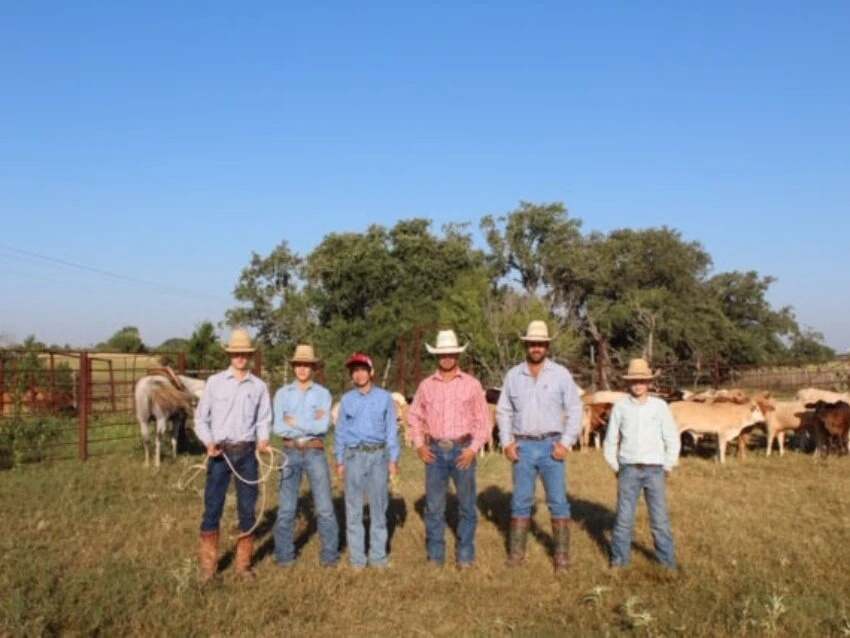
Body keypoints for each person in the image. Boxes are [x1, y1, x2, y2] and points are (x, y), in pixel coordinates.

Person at [496, 320, 584, 572]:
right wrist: (507, 442)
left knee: (558, 501)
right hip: (523, 445)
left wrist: (566, 443)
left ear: (547, 346)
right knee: (521, 501)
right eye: (532, 344)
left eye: (540, 344)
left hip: (551, 446)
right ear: (526, 345)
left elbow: (576, 409)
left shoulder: (561, 374)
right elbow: (503, 411)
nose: (536, 348)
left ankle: (562, 558)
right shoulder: (514, 375)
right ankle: (516, 555)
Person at [407, 329, 490, 569]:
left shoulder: (472, 385)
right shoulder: (426, 386)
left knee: (466, 505)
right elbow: (413, 416)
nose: (446, 357)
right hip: (434, 451)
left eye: (451, 353)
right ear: (436, 356)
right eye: (442, 353)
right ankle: (435, 556)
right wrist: (420, 445)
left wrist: (473, 448)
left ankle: (465, 556)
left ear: (457, 354)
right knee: (434, 507)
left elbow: (483, 421)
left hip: (463, 449)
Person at [194, 329, 272, 582]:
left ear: (249, 356)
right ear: (230, 355)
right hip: (220, 453)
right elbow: (201, 418)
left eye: (244, 354)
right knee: (212, 507)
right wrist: (208, 442)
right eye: (236, 353)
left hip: (247, 453)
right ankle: (209, 569)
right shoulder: (215, 382)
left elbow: (263, 419)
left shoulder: (259, 387)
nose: (240, 357)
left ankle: (243, 565)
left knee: (247, 509)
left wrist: (263, 439)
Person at [603, 358, 680, 570]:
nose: (638, 385)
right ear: (628, 383)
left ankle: (667, 563)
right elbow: (610, 441)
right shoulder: (620, 407)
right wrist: (617, 467)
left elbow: (671, 438)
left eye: (642, 380)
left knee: (660, 519)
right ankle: (619, 562)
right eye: (634, 381)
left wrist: (667, 465)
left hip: (655, 469)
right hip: (628, 468)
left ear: (649, 382)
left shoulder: (660, 406)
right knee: (624, 518)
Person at [272, 344, 339, 568]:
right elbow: (278, 428)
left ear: (313, 367)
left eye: (306, 364)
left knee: (325, 506)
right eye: (298, 364)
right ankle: (284, 557)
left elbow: (322, 428)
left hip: (315, 451)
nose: (302, 368)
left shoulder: (323, 394)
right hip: (289, 451)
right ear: (293, 367)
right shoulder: (282, 394)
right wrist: (307, 424)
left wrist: (295, 422)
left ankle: (330, 557)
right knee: (286, 508)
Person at [334, 352, 401, 569]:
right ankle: (357, 560)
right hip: (354, 456)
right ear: (352, 375)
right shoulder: (346, 400)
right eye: (355, 370)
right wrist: (340, 460)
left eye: (362, 369)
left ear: (371, 372)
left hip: (378, 456)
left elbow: (392, 429)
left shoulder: (384, 398)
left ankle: (379, 557)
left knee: (378, 507)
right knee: (353, 508)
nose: (359, 374)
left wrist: (393, 458)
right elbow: (341, 431)